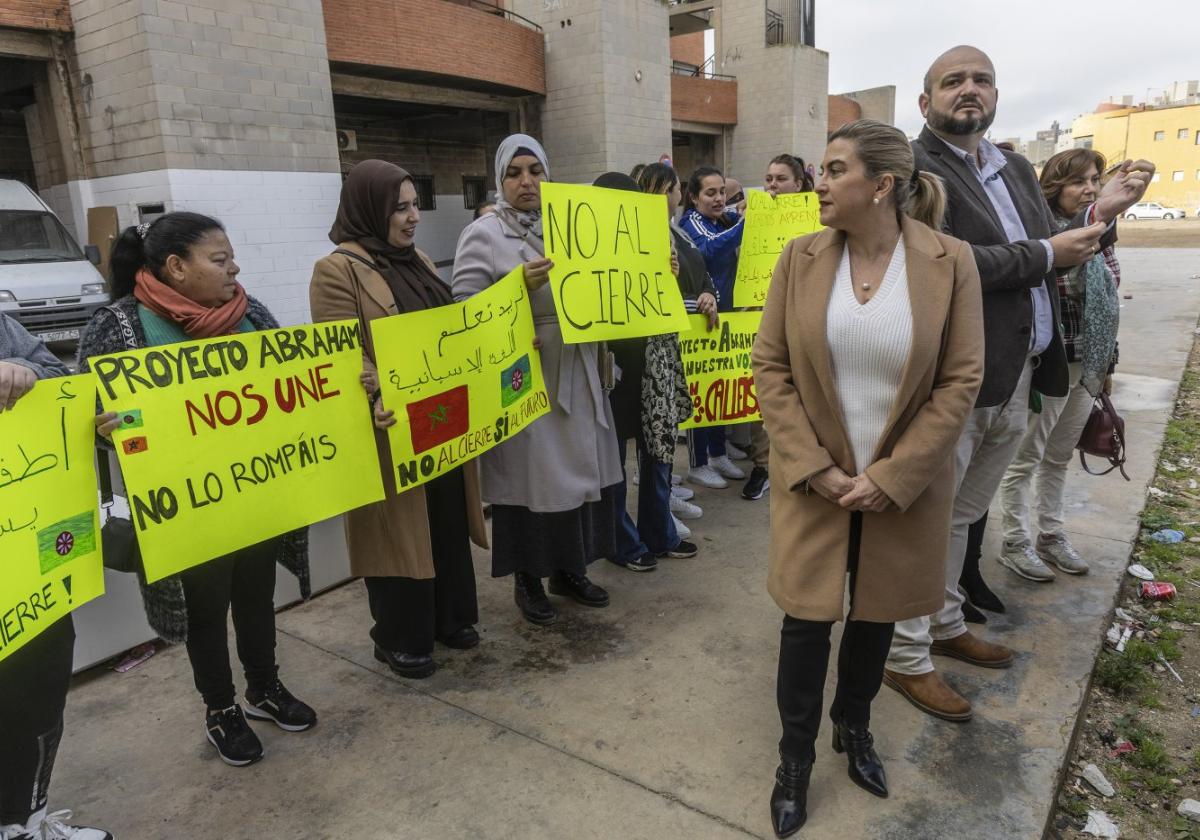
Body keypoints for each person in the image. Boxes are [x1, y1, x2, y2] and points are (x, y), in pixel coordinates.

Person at [883, 45, 1154, 723]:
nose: (969, 90)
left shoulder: (1014, 169)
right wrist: (1042, 253)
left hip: (1024, 370)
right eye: (953, 81)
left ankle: (943, 624)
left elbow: (1057, 250)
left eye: (981, 80)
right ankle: (903, 656)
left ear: (997, 94)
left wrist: (1102, 213)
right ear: (926, 103)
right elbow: (931, 259)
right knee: (927, 522)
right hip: (956, 378)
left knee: (965, 515)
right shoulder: (915, 168)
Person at [754, 118, 983, 837]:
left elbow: (960, 379)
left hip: (900, 485)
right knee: (805, 618)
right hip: (815, 480)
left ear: (881, 185)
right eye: (820, 170)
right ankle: (794, 759)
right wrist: (812, 466)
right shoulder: (799, 258)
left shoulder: (952, 262)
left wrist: (894, 474)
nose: (818, 183)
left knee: (877, 613)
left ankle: (853, 727)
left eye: (833, 170)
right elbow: (771, 367)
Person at [77, 212, 317, 768]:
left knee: (256, 597)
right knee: (205, 610)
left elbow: (300, 382)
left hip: (256, 491)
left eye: (231, 257)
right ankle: (221, 710)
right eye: (220, 258)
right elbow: (84, 409)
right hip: (186, 506)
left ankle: (264, 688)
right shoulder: (119, 326)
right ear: (176, 267)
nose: (235, 268)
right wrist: (101, 423)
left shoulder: (251, 314)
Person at [310, 160, 489, 679]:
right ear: (370, 209)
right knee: (399, 534)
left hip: (440, 419)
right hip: (388, 428)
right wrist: (374, 389)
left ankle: (449, 618)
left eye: (415, 205)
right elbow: (340, 353)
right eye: (400, 207)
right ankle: (397, 636)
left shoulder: (423, 261)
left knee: (445, 520)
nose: (412, 217)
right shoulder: (336, 270)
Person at [451, 134, 619, 625]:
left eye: (535, 171)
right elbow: (463, 309)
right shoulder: (483, 235)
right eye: (514, 173)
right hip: (526, 377)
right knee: (530, 483)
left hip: (579, 368)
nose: (526, 182)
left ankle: (571, 568)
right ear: (500, 181)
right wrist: (513, 291)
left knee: (578, 481)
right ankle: (527, 577)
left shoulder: (570, 225)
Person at [0, 318, 111, 840]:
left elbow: (54, 373)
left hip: (22, 557)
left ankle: (26, 820)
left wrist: (24, 370)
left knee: (41, 685)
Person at [995, 149, 1122, 580]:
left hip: (1088, 364)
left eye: (1094, 179)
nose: (1088, 188)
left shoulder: (1101, 233)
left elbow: (1109, 309)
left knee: (1059, 456)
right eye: (1077, 181)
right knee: (1025, 458)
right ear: (1054, 186)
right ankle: (1015, 541)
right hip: (1050, 363)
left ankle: (1050, 535)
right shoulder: (1046, 236)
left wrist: (1107, 366)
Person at [598, 169, 704, 573]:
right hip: (611, 371)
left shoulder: (657, 241)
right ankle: (622, 542)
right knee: (614, 464)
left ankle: (659, 533)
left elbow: (669, 306)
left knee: (657, 455)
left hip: (653, 367)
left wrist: (671, 278)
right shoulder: (584, 252)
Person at [638, 162, 722, 537]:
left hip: (673, 342)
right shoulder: (644, 234)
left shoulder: (672, 231)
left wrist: (707, 294)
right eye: (672, 188)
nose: (674, 196)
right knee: (655, 428)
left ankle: (665, 492)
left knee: (667, 423)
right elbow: (657, 299)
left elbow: (698, 276)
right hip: (653, 346)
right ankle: (658, 504)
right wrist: (696, 303)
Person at [742, 154, 818, 503]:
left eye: (780, 179)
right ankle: (763, 465)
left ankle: (806, 462)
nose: (772, 186)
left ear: (799, 184)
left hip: (810, 317)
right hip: (766, 314)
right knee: (768, 391)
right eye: (768, 178)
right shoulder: (752, 216)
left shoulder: (819, 218)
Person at [681, 165, 746, 488]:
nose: (719, 198)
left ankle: (718, 452)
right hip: (702, 316)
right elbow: (709, 249)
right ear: (693, 197)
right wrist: (747, 223)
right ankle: (698, 461)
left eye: (722, 191)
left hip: (726, 313)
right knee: (701, 391)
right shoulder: (691, 223)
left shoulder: (724, 219)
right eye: (710, 193)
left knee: (722, 386)